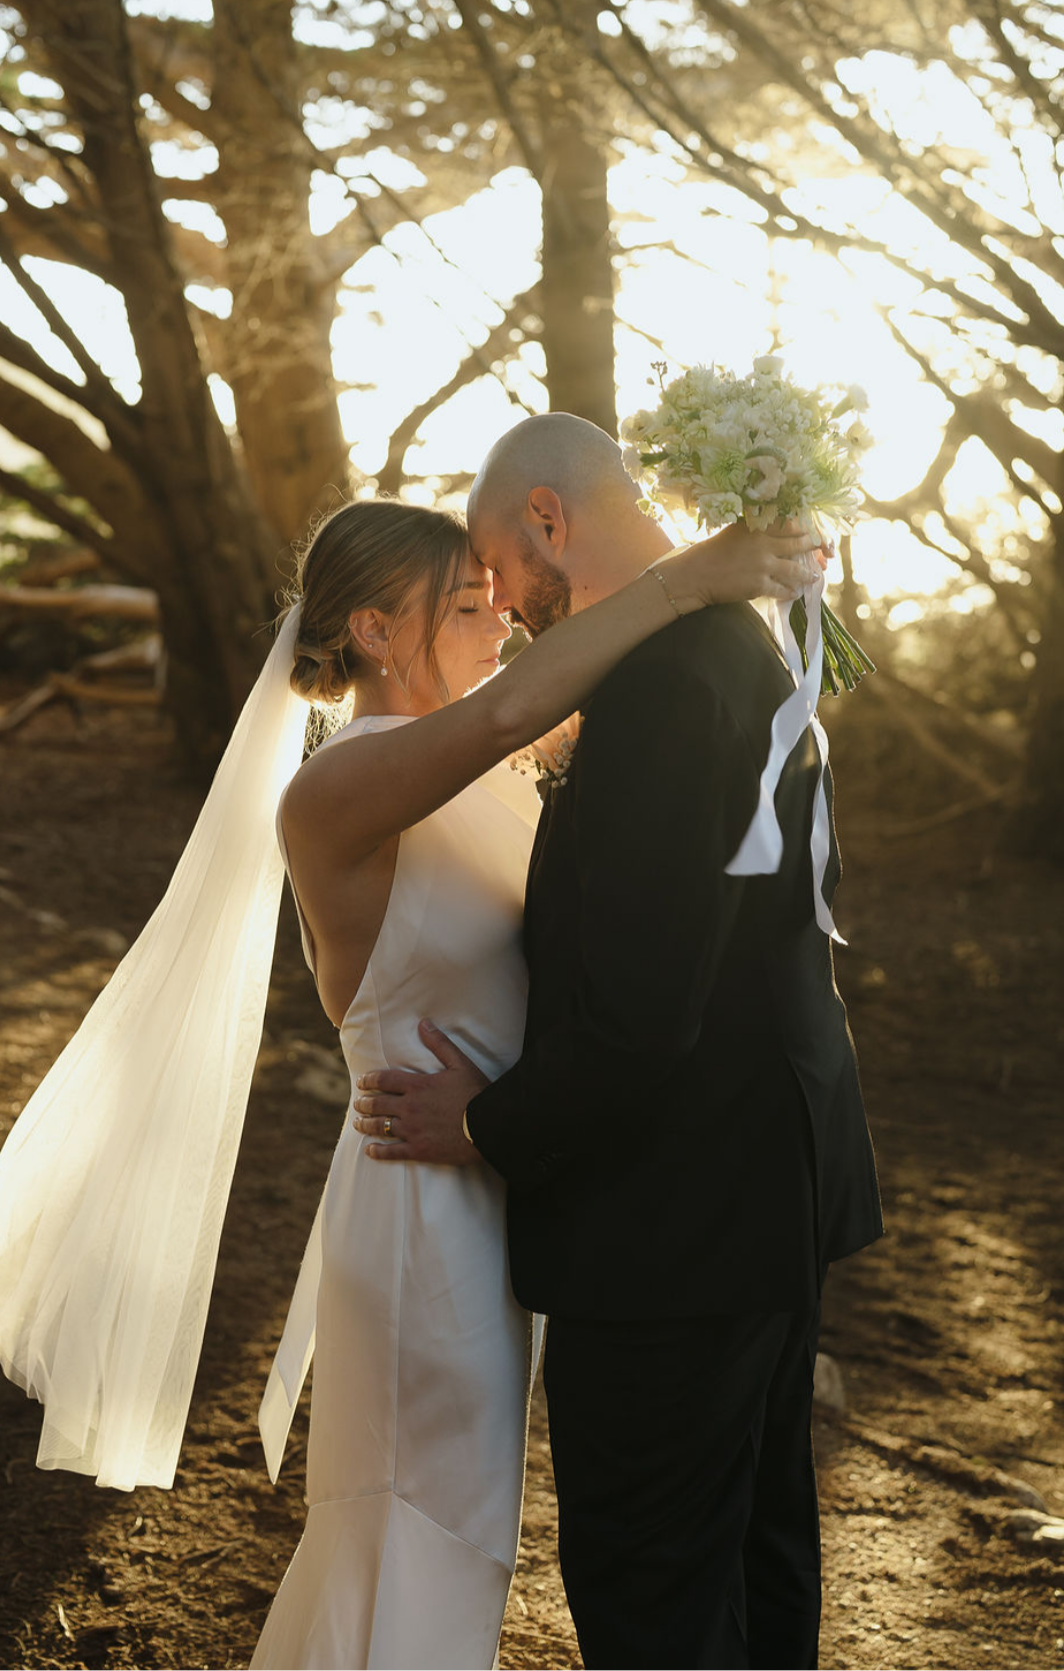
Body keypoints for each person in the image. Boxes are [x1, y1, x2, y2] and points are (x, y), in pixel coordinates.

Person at [247, 493, 818, 1670]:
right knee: (421, 1518)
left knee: (469, 1528)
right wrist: (693, 572)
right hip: (415, 1199)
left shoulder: (495, 758)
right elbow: (521, 698)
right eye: (466, 603)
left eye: (496, 595)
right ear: (371, 629)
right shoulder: (337, 790)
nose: (499, 619)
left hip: (499, 1176)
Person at [352, 414, 885, 1671]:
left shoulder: (654, 686)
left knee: (654, 1585)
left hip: (675, 1224)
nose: (501, 602)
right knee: (756, 1562)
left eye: (497, 565)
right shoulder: (735, 640)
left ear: (549, 518)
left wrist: (487, 1123)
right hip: (770, 1177)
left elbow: (642, 1013)